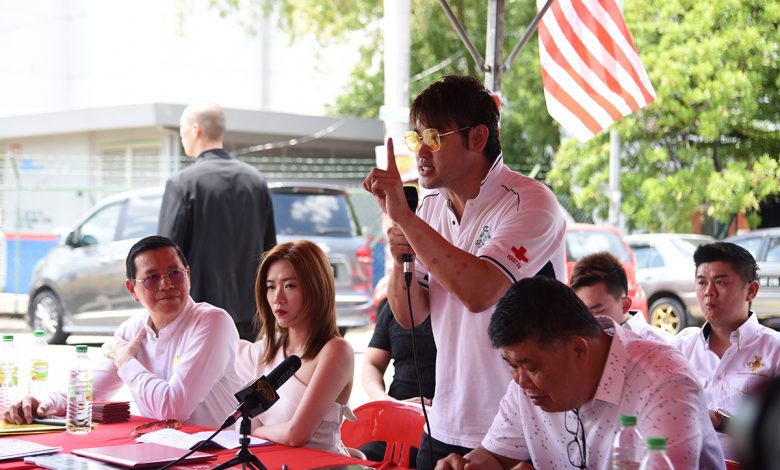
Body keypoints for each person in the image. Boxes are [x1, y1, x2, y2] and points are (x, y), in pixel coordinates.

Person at [363, 75, 567, 468]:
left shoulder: (529, 202)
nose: (421, 151)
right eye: (416, 138)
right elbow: (409, 316)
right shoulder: (431, 208)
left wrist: (405, 218)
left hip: (518, 425)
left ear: (477, 138)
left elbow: (478, 292)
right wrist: (399, 250)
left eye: (434, 137)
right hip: (445, 418)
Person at [437, 276, 724, 469]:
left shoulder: (664, 382)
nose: (521, 381)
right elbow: (495, 456)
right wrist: (467, 465)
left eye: (531, 367)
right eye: (511, 366)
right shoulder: (527, 382)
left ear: (578, 350)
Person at [3, 235, 242, 428]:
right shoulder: (133, 329)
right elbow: (90, 389)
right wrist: (43, 404)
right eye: (152, 277)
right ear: (132, 289)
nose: (166, 284)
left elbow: (174, 409)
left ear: (187, 275)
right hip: (161, 449)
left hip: (219, 455)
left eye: (174, 273)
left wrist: (126, 361)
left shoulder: (212, 322)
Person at [158, 102, 277, 341]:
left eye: (182, 133)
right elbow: (270, 250)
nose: (182, 139)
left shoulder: (182, 183)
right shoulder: (256, 181)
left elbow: (164, 255)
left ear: (195, 130)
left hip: (200, 316)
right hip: (251, 313)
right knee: (246, 377)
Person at [233, 240, 355, 455]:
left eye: (289, 285)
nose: (277, 298)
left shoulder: (336, 351)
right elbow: (244, 422)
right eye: (271, 287)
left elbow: (297, 433)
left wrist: (259, 433)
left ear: (316, 288)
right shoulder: (264, 349)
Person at [673, 241, 780, 459]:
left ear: (751, 290)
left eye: (720, 282)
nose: (709, 292)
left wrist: (726, 423)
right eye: (702, 282)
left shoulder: (774, 350)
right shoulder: (680, 350)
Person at [360, 302, 437, 464]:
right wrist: (385, 401)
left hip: (441, 424)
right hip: (397, 418)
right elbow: (372, 364)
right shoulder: (394, 305)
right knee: (360, 458)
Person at [570, 251, 671, 342]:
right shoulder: (576, 345)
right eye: (582, 312)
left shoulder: (659, 347)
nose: (588, 321)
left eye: (598, 311)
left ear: (625, 305)